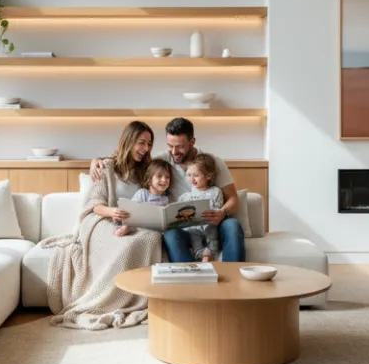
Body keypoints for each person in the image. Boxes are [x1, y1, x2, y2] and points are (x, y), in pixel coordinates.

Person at [41, 121, 163, 329]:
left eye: (149, 143)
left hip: (132, 222)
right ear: (129, 141)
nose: (146, 148)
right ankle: (104, 299)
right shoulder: (106, 167)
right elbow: (94, 204)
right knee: (129, 241)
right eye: (141, 142)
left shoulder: (146, 170)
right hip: (102, 220)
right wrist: (112, 211)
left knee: (152, 237)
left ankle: (136, 296)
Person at [91, 117, 245, 262]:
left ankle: (233, 275)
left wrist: (222, 213)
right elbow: (130, 160)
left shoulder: (212, 162)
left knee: (232, 224)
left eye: (180, 146)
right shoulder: (163, 160)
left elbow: (233, 199)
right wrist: (97, 161)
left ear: (192, 142)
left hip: (212, 225)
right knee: (170, 234)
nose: (174, 152)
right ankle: (190, 274)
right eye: (170, 146)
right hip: (184, 228)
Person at [176, 153, 225, 261]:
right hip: (193, 228)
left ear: (208, 176)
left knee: (212, 232)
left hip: (209, 225)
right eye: (189, 175)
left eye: (196, 175)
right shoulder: (185, 197)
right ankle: (201, 254)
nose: (192, 179)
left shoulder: (215, 191)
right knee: (193, 234)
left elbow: (218, 209)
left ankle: (211, 254)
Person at [115, 158, 173, 236]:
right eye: (159, 176)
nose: (164, 180)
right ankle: (126, 228)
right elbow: (130, 211)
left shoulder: (166, 199)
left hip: (158, 231)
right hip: (141, 227)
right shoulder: (143, 193)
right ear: (149, 180)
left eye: (167, 177)